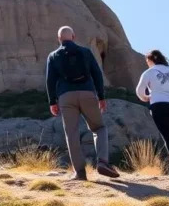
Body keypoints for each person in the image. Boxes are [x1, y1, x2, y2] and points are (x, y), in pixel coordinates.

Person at [46, 26, 120, 181]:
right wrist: (101, 96)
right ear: (73, 36)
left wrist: (52, 101)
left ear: (59, 39)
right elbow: (97, 74)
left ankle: (80, 173)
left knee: (71, 133)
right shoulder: (86, 52)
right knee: (99, 128)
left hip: (65, 96)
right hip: (87, 93)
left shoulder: (53, 56)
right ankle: (102, 161)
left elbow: (50, 80)